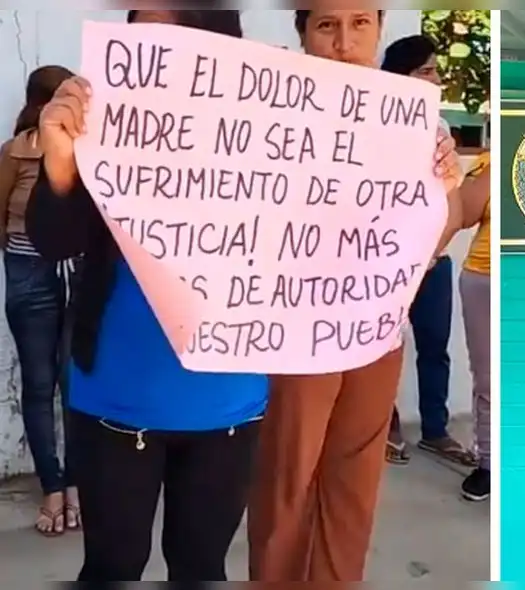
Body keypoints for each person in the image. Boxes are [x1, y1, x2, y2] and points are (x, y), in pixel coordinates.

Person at [25, 9, 268, 581]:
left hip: (228, 403)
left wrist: (423, 175)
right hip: (114, 400)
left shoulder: (271, 133)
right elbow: (53, 242)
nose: (149, 52)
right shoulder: (99, 128)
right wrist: (59, 163)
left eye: (170, 37)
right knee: (112, 566)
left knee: (201, 566)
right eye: (139, 34)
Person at [246, 8, 465, 582]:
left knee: (356, 483)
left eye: (360, 24)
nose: (345, 42)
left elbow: (440, 226)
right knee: (287, 479)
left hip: (375, 328)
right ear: (302, 33)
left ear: (379, 29)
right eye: (326, 26)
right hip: (297, 329)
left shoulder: (415, 120)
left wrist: (441, 189)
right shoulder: (272, 109)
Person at [381, 34, 472, 467]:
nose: (436, 79)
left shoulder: (440, 131)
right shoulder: (375, 128)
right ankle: (387, 428)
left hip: (433, 261)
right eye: (426, 71)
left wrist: (431, 253)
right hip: (386, 262)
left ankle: (435, 431)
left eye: (436, 69)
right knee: (382, 347)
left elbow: (450, 205)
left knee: (435, 347)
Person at [0, 64, 76, 536]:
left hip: (77, 274)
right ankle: (54, 486)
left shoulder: (89, 149)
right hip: (31, 273)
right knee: (42, 383)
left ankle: (74, 485)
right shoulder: (14, 152)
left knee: (74, 382)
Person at [458, 151, 491, 501]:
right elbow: (463, 215)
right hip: (483, 279)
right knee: (487, 378)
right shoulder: (487, 163)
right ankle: (488, 464)